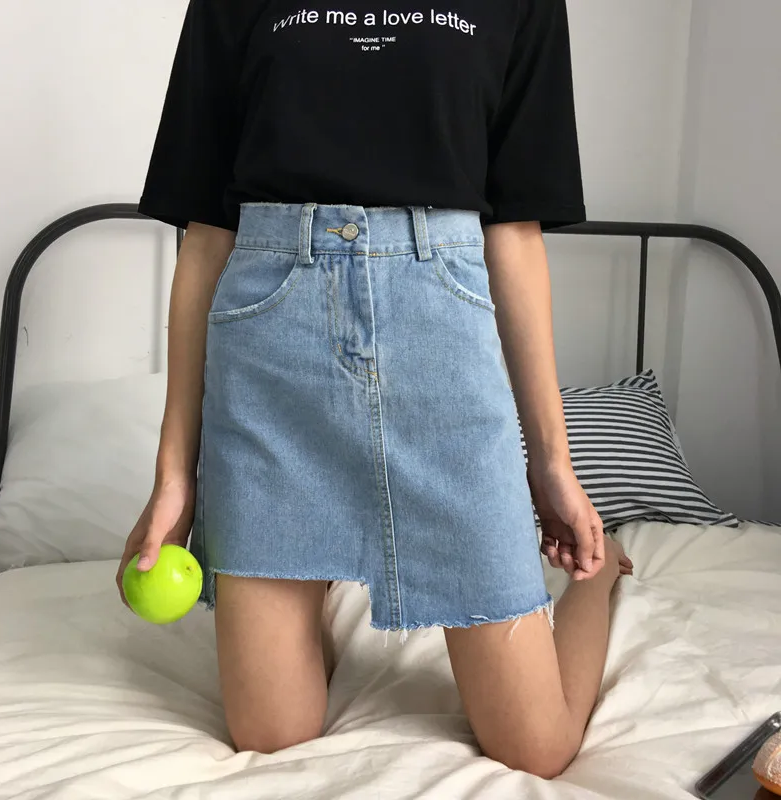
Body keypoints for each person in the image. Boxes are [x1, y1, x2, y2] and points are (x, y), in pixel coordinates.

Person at [116, 0, 633, 779]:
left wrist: (552, 462)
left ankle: (600, 578)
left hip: (443, 339)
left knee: (539, 747)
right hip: (271, 353)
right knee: (273, 735)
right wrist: (174, 478)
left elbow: (515, 231)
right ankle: (317, 569)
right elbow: (206, 239)